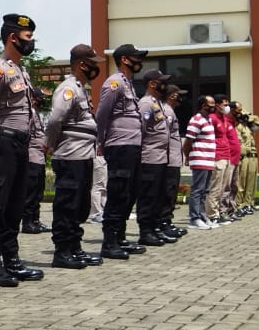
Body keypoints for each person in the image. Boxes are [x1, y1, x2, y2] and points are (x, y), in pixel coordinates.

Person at [0, 14, 44, 286]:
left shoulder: (21, 71)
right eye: (28, 37)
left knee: (15, 205)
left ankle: (11, 260)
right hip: (1, 143)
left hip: (19, 144)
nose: (32, 42)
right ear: (13, 37)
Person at [45, 44, 105, 270]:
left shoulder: (80, 88)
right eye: (92, 64)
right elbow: (55, 120)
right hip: (70, 155)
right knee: (67, 205)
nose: (95, 69)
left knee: (79, 205)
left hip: (82, 155)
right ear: (82, 64)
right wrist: (49, 144)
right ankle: (62, 251)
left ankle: (74, 247)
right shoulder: (68, 88)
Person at [95, 43, 147, 260]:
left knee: (129, 193)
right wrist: (100, 142)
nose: (139, 62)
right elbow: (102, 114)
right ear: (125, 59)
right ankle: (109, 242)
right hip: (119, 146)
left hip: (132, 146)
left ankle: (121, 237)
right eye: (136, 57)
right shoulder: (114, 83)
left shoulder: (129, 84)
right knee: (117, 193)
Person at [135, 69, 176, 246]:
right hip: (149, 158)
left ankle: (154, 228)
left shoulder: (157, 103)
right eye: (161, 82)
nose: (164, 85)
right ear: (152, 83)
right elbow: (140, 130)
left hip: (160, 158)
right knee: (148, 197)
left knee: (158, 196)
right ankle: (145, 232)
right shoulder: (145, 103)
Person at [183, 95, 218, 230]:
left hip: (208, 160)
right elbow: (188, 141)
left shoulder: (208, 119)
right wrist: (188, 156)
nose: (214, 106)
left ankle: (203, 216)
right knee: (197, 190)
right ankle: (194, 218)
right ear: (203, 105)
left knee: (205, 191)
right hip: (200, 159)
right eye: (211, 104)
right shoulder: (196, 120)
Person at [21, 87, 50, 235]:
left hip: (40, 157)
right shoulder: (30, 113)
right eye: (41, 98)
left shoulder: (37, 114)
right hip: (32, 157)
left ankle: (35, 220)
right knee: (31, 192)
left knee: (38, 191)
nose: (43, 100)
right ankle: (27, 222)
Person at [160, 85, 188, 238]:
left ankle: (167, 222)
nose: (180, 98)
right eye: (178, 95)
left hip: (173, 159)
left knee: (171, 193)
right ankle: (164, 223)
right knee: (168, 193)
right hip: (168, 160)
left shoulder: (170, 111)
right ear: (171, 96)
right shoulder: (166, 111)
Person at [207, 93, 235, 224]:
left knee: (224, 187)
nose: (227, 107)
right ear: (217, 105)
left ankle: (218, 212)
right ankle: (212, 214)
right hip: (217, 156)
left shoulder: (223, 118)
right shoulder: (212, 118)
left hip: (226, 155)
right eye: (225, 104)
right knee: (215, 187)